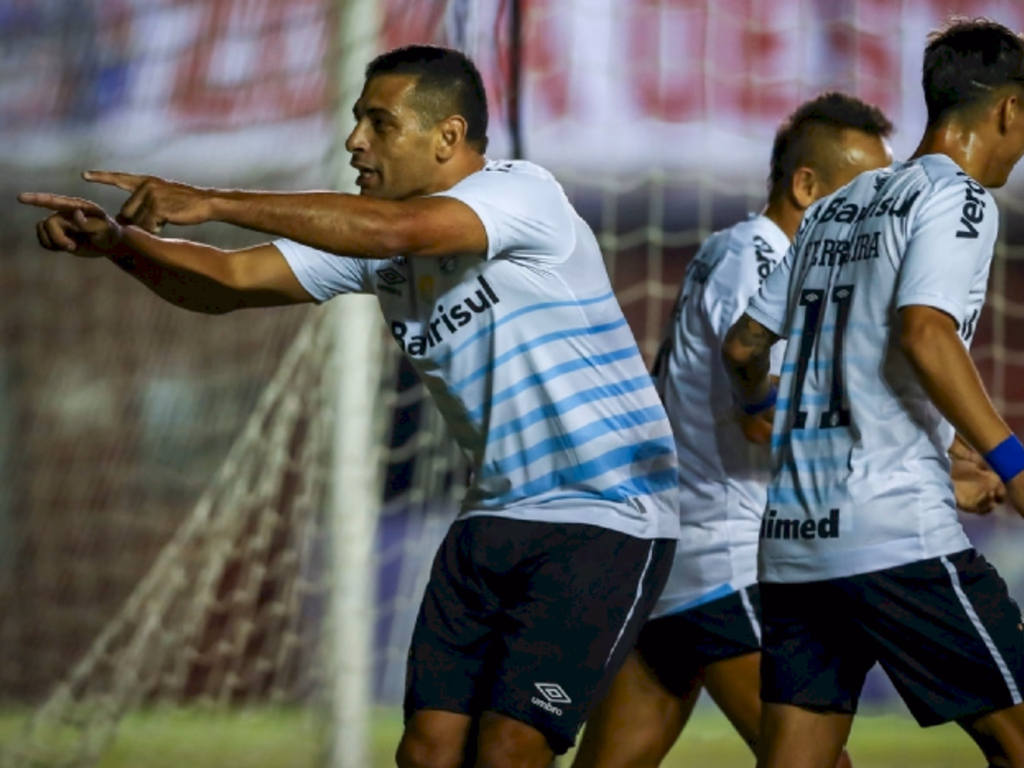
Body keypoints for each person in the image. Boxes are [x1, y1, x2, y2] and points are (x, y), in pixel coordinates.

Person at [19, 45, 679, 768]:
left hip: (603, 516)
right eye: (356, 120)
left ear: (448, 138)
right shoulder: (373, 245)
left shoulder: (522, 194)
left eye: (379, 122)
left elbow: (401, 232)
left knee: (510, 750)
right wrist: (121, 244)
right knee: (426, 753)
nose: (354, 140)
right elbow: (230, 280)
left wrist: (210, 201)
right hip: (493, 515)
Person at [573, 92, 1005, 768]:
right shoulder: (764, 259)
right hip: (728, 554)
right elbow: (773, 418)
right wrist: (943, 482)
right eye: (862, 181)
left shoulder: (739, 252)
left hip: (681, 551)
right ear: (806, 186)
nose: (878, 198)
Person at [722, 17, 1024, 768]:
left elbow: (743, 345)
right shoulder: (958, 200)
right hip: (894, 537)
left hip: (796, 544)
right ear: (1010, 111)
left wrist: (768, 410)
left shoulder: (832, 207)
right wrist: (1012, 463)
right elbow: (925, 333)